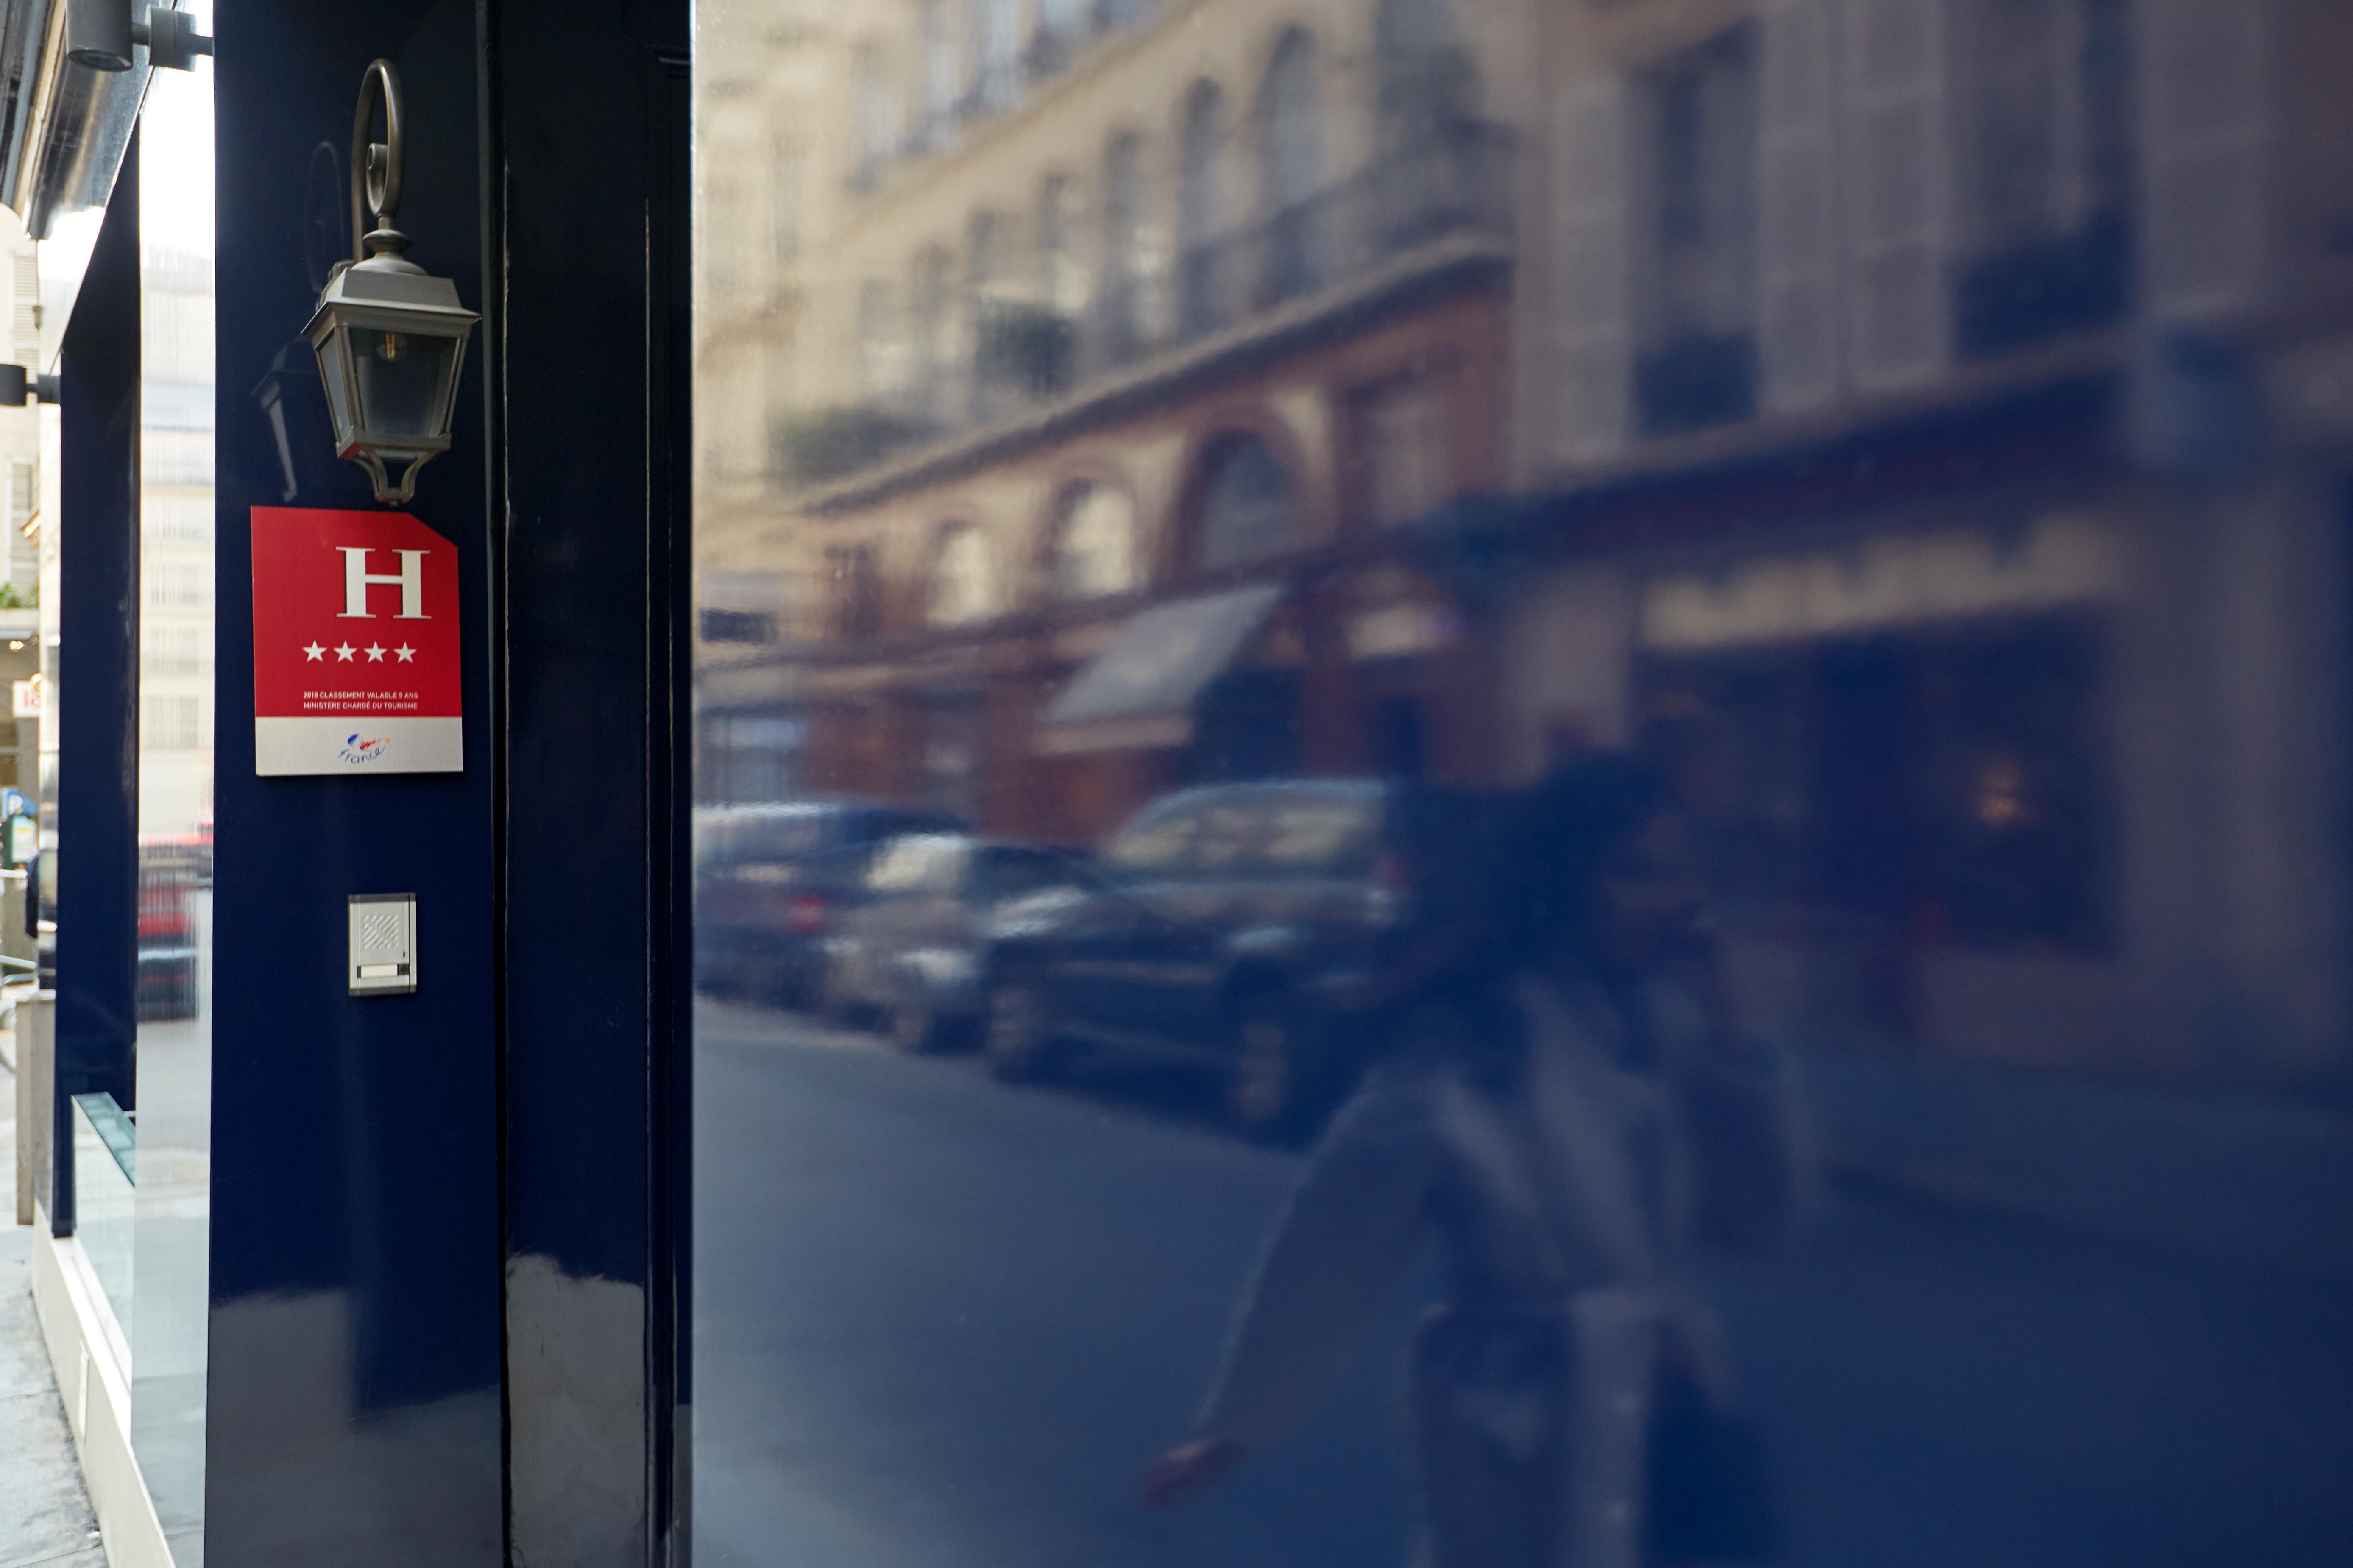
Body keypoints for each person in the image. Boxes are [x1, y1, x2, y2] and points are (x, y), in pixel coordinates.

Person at [1140, 752, 1812, 1568]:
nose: (1667, 903)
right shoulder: (1471, 1047)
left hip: (1669, 1438)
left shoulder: (1671, 1028)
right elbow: (1334, 1236)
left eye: (1677, 875)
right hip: (1524, 1439)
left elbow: (1766, 1224)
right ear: (1565, 881)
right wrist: (1237, 1427)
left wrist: (1735, 1041)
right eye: (1633, 874)